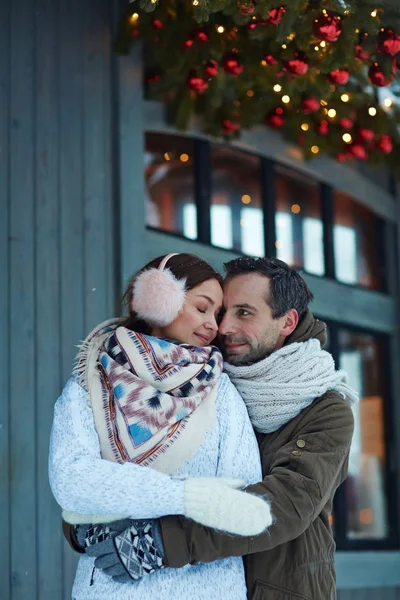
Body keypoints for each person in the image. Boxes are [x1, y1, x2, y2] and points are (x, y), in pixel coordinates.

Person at [67, 256, 357, 600]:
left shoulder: (325, 408)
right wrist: (90, 524)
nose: (223, 328)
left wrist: (158, 543)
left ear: (287, 322)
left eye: (244, 313)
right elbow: (125, 455)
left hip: (277, 588)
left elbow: (286, 505)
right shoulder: (196, 376)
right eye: (222, 313)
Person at [49, 253, 273, 600]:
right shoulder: (92, 383)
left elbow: (242, 503)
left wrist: (129, 516)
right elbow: (72, 479)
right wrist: (189, 497)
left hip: (207, 590)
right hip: (111, 591)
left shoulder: (221, 392)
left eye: (217, 314)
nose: (213, 325)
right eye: (202, 308)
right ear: (159, 300)